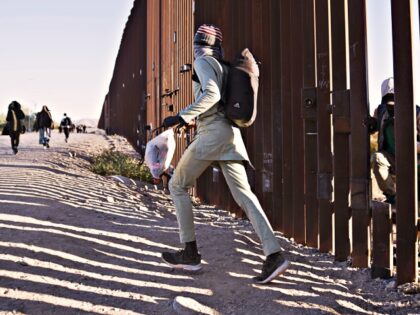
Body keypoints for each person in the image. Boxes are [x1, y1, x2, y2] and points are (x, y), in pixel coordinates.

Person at [160, 24, 290, 284]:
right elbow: (219, 104)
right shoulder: (223, 65)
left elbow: (212, 94)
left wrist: (182, 116)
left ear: (199, 43)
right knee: (245, 196)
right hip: (230, 136)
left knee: (177, 184)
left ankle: (190, 253)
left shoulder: (203, 62)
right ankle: (274, 254)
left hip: (212, 136)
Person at [367, 77, 420, 205]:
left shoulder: (416, 112)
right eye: (388, 101)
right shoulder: (380, 110)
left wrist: (414, 147)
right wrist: (371, 124)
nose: (391, 105)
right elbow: (373, 129)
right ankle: (393, 198)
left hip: (414, 160)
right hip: (391, 159)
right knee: (377, 158)